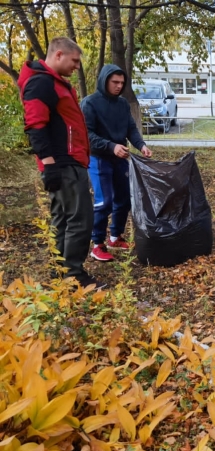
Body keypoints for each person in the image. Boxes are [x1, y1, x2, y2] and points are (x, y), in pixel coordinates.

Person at [19, 37, 105, 288]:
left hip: (69, 161)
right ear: (58, 55)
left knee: (64, 218)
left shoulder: (56, 84)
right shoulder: (41, 84)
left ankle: (60, 271)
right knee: (80, 219)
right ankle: (74, 275)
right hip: (63, 163)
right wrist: (50, 164)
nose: (77, 66)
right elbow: (35, 126)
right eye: (74, 61)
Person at [82, 64, 153, 262]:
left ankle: (115, 237)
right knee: (104, 202)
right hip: (99, 158)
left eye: (122, 83)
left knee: (124, 198)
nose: (119, 86)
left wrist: (141, 145)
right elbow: (86, 134)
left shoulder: (122, 104)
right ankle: (97, 244)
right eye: (115, 82)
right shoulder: (90, 103)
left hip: (120, 159)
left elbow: (131, 128)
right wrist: (111, 146)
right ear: (104, 80)